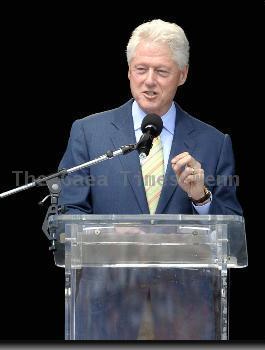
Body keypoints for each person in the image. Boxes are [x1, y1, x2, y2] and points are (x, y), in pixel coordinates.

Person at [58, 19, 242, 340]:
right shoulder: (89, 133)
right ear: (128, 71)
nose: (149, 82)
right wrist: (112, 234)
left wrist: (201, 197)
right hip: (107, 309)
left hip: (184, 313)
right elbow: (67, 216)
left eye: (162, 71)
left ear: (182, 75)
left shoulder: (213, 143)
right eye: (141, 69)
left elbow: (233, 237)